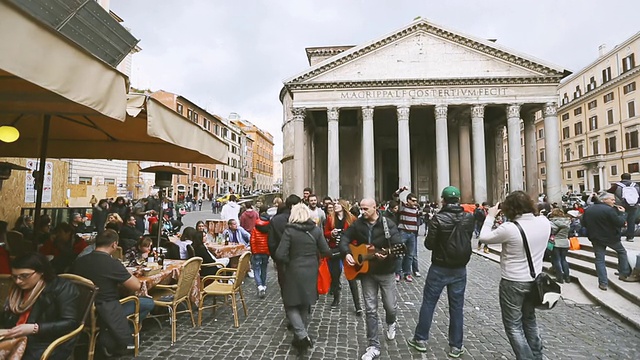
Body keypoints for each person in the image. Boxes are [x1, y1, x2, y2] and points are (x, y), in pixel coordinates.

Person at [477, 191, 551, 360]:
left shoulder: (509, 228)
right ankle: (537, 355)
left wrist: (490, 216)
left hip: (513, 281)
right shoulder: (544, 222)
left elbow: (483, 237)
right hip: (534, 280)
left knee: (513, 326)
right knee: (530, 320)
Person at [407, 186, 474, 358]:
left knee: (429, 303)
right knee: (457, 307)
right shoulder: (468, 217)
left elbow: (429, 244)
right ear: (458, 199)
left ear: (442, 200)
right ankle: (456, 346)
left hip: (439, 267)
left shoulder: (438, 219)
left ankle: (420, 339)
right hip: (459, 268)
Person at [71, 229, 155, 356]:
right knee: (148, 302)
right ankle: (115, 334)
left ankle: (112, 331)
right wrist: (125, 273)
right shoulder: (112, 263)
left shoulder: (80, 261)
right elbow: (136, 286)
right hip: (105, 308)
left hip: (81, 308)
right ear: (114, 244)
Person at [339, 198, 403, 360]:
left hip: (386, 271)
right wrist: (347, 253)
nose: (363, 211)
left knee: (390, 307)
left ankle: (391, 322)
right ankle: (373, 345)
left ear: (375, 208)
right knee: (370, 309)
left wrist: (387, 254)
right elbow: (345, 238)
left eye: (366, 209)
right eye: (361, 208)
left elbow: (399, 245)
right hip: (367, 272)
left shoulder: (388, 224)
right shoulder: (358, 223)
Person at [274, 203, 332, 355]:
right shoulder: (315, 230)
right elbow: (325, 250)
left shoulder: (290, 231)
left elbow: (280, 254)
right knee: (304, 303)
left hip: (294, 269)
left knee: (290, 304)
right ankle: (300, 340)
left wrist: (289, 261)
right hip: (311, 269)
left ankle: (302, 335)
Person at [1, 253, 80, 359]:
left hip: (43, 342)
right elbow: (6, 317)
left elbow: (71, 323)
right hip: (14, 336)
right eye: (15, 277)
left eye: (24, 276)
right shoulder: (17, 289)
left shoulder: (62, 288)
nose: (18, 281)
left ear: (41, 272)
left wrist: (35, 328)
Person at [581, 192, 638, 288]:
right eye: (611, 199)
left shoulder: (588, 209)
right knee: (622, 252)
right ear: (604, 200)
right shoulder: (609, 210)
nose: (614, 201)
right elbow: (620, 223)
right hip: (611, 238)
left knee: (599, 259)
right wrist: (623, 213)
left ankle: (603, 283)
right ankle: (623, 273)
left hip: (596, 238)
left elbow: (584, 223)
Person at [324, 199, 362, 315]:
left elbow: (357, 234)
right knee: (335, 276)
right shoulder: (330, 218)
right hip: (335, 249)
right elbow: (325, 232)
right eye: (335, 205)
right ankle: (336, 298)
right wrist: (331, 234)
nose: (335, 206)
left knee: (352, 278)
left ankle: (358, 305)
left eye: (338, 205)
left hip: (348, 250)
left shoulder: (352, 218)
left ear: (343, 206)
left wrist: (354, 247)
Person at [269, 194, 301, 292]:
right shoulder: (301, 219)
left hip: (281, 258)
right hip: (299, 258)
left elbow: (271, 243)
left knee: (285, 287)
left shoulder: (276, 220)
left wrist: (276, 257)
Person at [393, 188, 420, 282]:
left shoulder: (416, 209)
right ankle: (398, 273)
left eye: (416, 201)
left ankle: (407, 273)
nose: (415, 202)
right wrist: (400, 190)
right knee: (399, 254)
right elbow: (395, 197)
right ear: (408, 200)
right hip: (403, 232)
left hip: (412, 234)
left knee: (410, 255)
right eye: (413, 200)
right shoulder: (402, 206)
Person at [606, 173, 640, 241]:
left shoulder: (617, 185)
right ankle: (630, 237)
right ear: (630, 178)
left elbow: (608, 192)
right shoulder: (636, 185)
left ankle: (618, 236)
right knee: (631, 221)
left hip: (620, 206)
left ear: (621, 178)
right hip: (633, 205)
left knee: (619, 220)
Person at [250, 205, 271, 298]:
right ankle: (263, 284)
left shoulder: (255, 227)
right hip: (266, 252)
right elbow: (271, 240)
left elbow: (252, 240)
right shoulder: (269, 228)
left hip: (257, 251)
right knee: (264, 269)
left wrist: (254, 250)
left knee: (256, 269)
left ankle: (259, 286)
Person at [548, 208, 571, 283]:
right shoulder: (567, 222)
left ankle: (559, 277)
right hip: (565, 242)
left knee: (557, 260)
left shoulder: (552, 222)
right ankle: (567, 277)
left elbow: (551, 232)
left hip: (556, 243)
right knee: (563, 259)